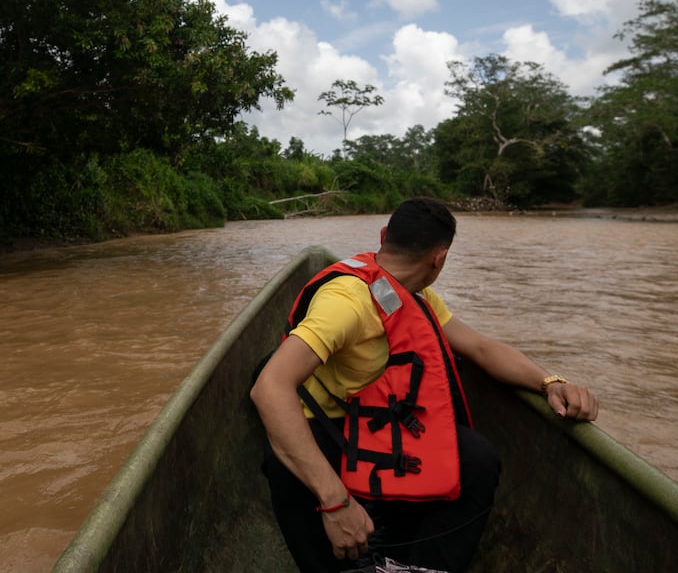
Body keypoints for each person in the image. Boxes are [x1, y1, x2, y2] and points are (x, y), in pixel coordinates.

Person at [250, 197, 599, 572]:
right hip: (318, 431)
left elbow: (481, 348)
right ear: (439, 257)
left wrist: (549, 382)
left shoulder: (412, 296)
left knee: (477, 461)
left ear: (384, 237)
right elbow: (270, 389)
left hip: (371, 423)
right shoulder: (346, 302)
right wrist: (336, 503)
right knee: (289, 472)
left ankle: (418, 567)